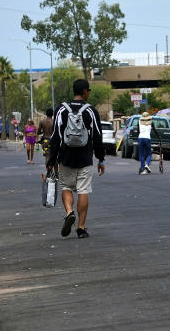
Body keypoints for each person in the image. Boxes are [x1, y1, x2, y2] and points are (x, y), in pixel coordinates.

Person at [47, 79, 105, 239]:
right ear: (85, 91)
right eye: (89, 91)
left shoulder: (61, 109)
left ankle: (69, 212)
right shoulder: (91, 111)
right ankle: (81, 228)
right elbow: (98, 137)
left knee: (65, 187)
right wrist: (101, 159)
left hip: (65, 158)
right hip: (85, 158)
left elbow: (55, 137)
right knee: (83, 190)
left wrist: (51, 161)